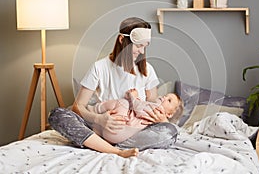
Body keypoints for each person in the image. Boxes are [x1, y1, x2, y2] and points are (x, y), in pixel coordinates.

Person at [48, 17, 179, 158]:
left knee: (170, 131)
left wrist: (162, 120)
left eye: (145, 46)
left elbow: (152, 104)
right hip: (100, 128)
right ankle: (115, 150)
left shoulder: (147, 70)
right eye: (138, 45)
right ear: (122, 40)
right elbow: (78, 106)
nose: (142, 51)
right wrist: (100, 120)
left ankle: (100, 144)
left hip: (133, 131)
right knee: (57, 115)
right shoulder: (99, 67)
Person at [88, 88, 183, 144]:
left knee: (122, 103)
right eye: (166, 95)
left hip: (118, 129)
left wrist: (133, 96)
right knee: (125, 108)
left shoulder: (156, 109)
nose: (164, 98)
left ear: (169, 114)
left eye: (169, 100)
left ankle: (95, 108)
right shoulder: (159, 122)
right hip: (119, 135)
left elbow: (138, 107)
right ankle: (97, 131)